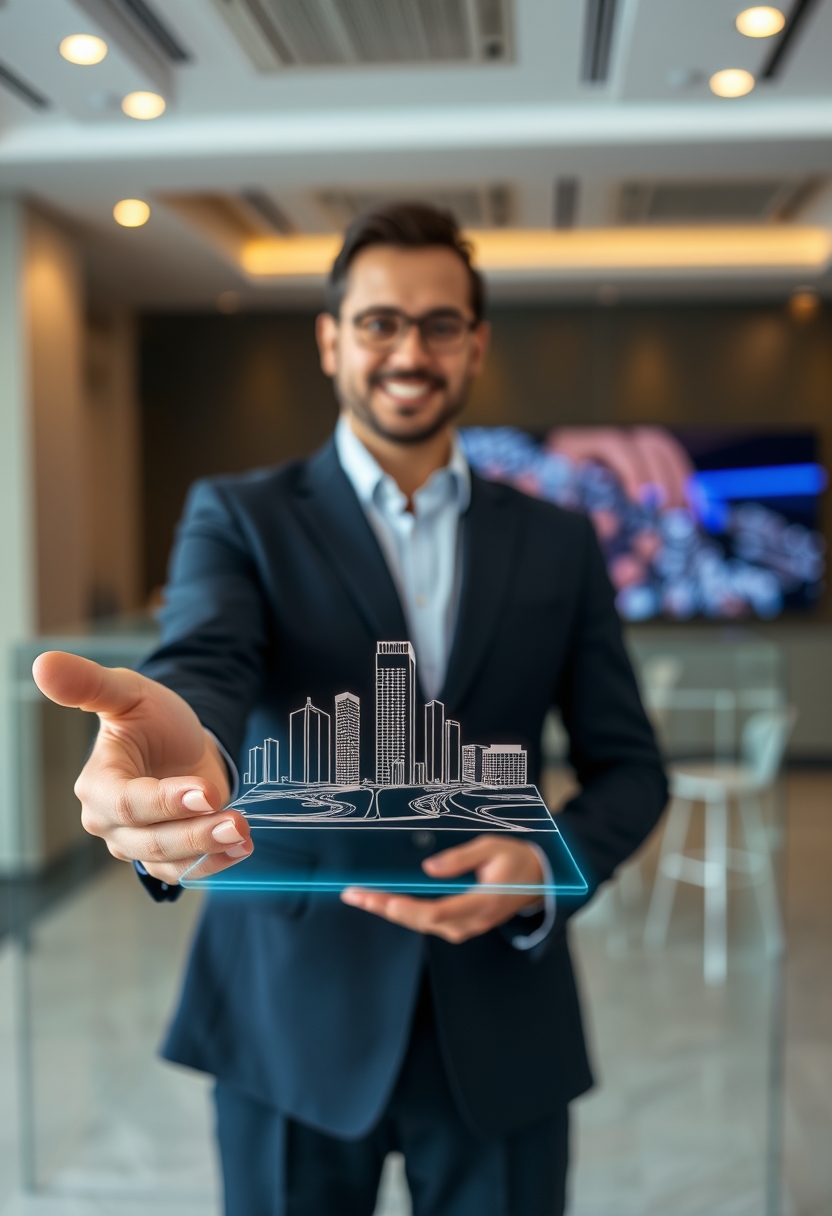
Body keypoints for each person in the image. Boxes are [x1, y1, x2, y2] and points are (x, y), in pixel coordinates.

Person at [33, 203, 668, 1216]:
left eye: (439, 324)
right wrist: (170, 752)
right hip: (290, 1005)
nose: (408, 351)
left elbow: (632, 767)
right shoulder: (237, 515)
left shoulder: (558, 540)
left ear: (475, 342)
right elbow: (204, 659)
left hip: (499, 1016)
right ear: (331, 340)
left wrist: (546, 864)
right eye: (378, 322)